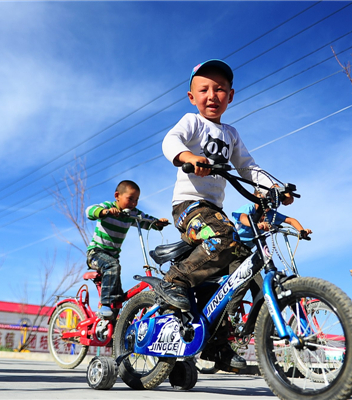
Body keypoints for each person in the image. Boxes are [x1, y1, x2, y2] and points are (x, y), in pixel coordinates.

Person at [159, 59, 295, 371]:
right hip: (189, 209)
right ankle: (174, 279)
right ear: (192, 97)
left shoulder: (231, 133)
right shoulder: (192, 123)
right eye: (203, 89)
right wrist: (190, 157)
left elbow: (249, 167)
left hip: (214, 212)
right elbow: (170, 141)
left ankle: (216, 344)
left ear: (230, 96)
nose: (211, 95)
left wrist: (274, 187)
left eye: (219, 89)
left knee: (240, 268)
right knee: (222, 237)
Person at [86, 180, 169, 318]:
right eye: (130, 199)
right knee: (112, 266)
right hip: (96, 254)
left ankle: (113, 323)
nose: (133, 204)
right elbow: (90, 211)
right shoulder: (108, 207)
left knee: (118, 296)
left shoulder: (131, 214)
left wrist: (157, 223)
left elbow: (145, 220)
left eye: (136, 200)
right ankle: (105, 304)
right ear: (117, 195)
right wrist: (105, 212)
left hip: (113, 258)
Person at [232, 197, 312, 247]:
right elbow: (243, 218)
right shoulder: (250, 208)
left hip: (249, 248)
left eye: (271, 200)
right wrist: (257, 225)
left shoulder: (271, 214)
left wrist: (302, 230)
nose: (267, 203)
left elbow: (291, 220)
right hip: (235, 243)